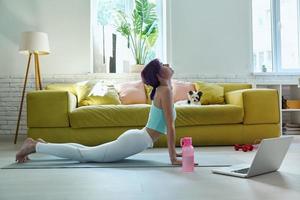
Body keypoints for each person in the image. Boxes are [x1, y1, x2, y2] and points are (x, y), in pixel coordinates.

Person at [15, 58, 183, 165]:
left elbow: (168, 124)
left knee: (85, 151)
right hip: (137, 140)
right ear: (160, 75)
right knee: (83, 155)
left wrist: (174, 153)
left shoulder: (165, 89)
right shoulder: (164, 91)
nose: (167, 65)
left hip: (138, 138)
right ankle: (35, 146)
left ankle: (42, 145)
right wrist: (173, 158)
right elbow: (170, 126)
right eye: (163, 65)